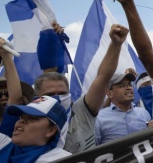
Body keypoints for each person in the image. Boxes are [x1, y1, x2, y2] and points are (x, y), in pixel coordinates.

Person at [0, 24, 130, 154]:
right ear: (37, 97)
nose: (57, 97)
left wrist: (115, 44)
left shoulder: (81, 112)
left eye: (62, 93)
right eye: (50, 94)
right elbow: (15, 98)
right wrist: (6, 57)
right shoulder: (27, 119)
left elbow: (103, 77)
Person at [0, 96, 71, 162]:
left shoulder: (62, 159)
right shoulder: (4, 144)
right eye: (22, 117)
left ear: (50, 131)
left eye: (32, 118)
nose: (21, 121)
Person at [95, 72, 152, 145]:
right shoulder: (99, 119)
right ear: (109, 93)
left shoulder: (143, 113)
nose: (128, 88)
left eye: (129, 84)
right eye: (122, 86)